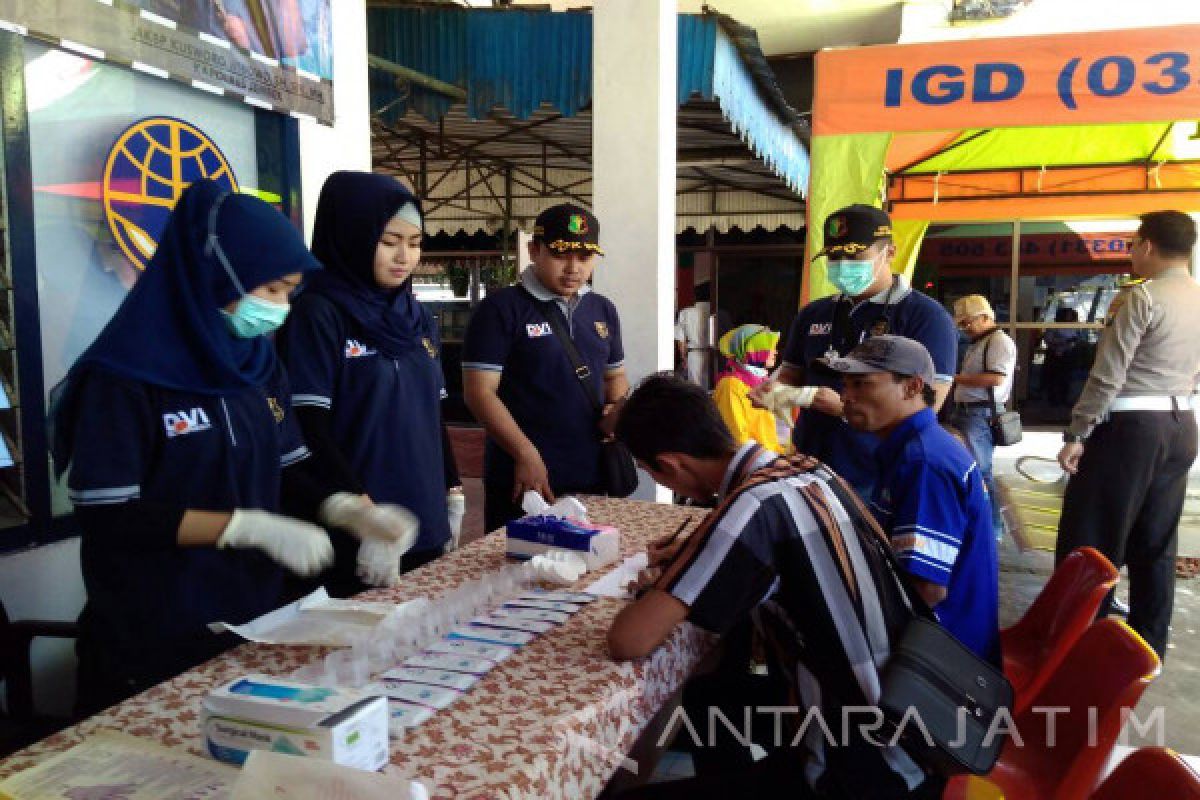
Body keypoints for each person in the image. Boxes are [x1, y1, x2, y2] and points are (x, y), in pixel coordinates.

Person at [53, 180, 414, 714]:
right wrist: (241, 527)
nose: (282, 308)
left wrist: (351, 509)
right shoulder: (123, 377)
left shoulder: (256, 367)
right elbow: (112, 516)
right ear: (214, 274)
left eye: (290, 291)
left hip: (251, 622)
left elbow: (293, 467)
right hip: (152, 633)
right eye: (269, 290)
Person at [608, 375, 938, 799]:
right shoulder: (808, 469)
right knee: (710, 695)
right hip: (907, 712)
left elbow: (629, 639)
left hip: (863, 766)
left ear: (669, 464)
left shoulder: (752, 506)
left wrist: (663, 584)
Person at [279, 171, 462, 593]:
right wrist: (363, 513)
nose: (404, 257)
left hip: (420, 520)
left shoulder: (416, 318)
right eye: (388, 241)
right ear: (353, 236)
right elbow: (309, 425)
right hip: (358, 527)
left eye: (414, 244)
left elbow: (432, 415)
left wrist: (452, 491)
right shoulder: (319, 314)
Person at [1057, 211, 1200, 660]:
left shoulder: (1143, 298)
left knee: (1094, 535)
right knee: (1156, 539)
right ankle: (1146, 649)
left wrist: (1078, 432)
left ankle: (1079, 639)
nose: (1133, 252)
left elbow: (1107, 376)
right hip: (1181, 426)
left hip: (1130, 428)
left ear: (1149, 245)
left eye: (1135, 243)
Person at [754, 204, 957, 499]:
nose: (843, 265)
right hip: (811, 468)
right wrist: (775, 392)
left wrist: (843, 409)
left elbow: (927, 407)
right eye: (835, 257)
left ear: (889, 252)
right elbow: (791, 374)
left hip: (882, 476)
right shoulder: (814, 314)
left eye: (854, 255)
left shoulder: (925, 317)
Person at [822, 335, 1000, 665]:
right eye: (845, 385)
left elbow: (926, 591)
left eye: (861, 385)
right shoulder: (911, 447)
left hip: (941, 659)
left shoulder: (924, 463)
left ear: (912, 387)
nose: (846, 397)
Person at [462, 203, 629, 532]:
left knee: (587, 571)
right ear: (534, 250)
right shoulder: (500, 310)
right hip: (524, 478)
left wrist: (617, 408)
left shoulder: (602, 309)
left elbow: (616, 377)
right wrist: (525, 453)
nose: (573, 268)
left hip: (591, 475)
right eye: (560, 255)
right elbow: (479, 393)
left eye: (584, 258)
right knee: (518, 571)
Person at [950, 295, 1017, 540]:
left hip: (979, 413)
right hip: (968, 411)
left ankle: (992, 530)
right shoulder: (981, 342)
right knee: (972, 470)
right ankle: (980, 526)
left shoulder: (999, 342)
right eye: (962, 324)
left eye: (969, 322)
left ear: (986, 317)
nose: (965, 328)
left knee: (981, 472)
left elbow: (996, 378)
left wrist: (955, 378)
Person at [711, 324, 787, 454]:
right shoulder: (730, 385)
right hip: (752, 462)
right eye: (769, 348)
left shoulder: (762, 382)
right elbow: (736, 437)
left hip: (769, 457)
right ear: (751, 351)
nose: (775, 352)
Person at [674, 282, 714, 389]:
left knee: (696, 390)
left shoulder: (685, 313)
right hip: (713, 356)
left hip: (694, 356)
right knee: (713, 388)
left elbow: (681, 340)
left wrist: (684, 358)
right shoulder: (716, 312)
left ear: (695, 296)